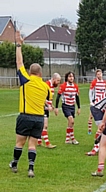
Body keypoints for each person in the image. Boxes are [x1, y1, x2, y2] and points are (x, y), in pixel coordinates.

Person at [9, 31, 52, 177]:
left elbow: (19, 62)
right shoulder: (46, 86)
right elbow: (47, 101)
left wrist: (19, 44)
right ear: (40, 73)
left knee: (19, 143)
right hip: (39, 118)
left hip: (25, 116)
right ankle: (31, 168)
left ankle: (14, 164)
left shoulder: (26, 81)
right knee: (32, 144)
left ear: (30, 72)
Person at [55, 71, 81, 145]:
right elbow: (58, 97)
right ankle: (72, 138)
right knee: (71, 120)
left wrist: (79, 108)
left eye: (72, 76)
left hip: (72, 106)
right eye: (70, 76)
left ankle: (68, 139)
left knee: (71, 123)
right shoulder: (63, 86)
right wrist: (56, 108)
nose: (71, 78)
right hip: (66, 106)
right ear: (67, 78)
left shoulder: (75, 86)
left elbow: (77, 97)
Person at [37, 73, 61, 148]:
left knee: (42, 125)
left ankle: (39, 141)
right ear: (53, 79)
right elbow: (42, 97)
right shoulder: (46, 85)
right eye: (57, 80)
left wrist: (51, 105)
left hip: (46, 107)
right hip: (42, 107)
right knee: (45, 125)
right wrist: (48, 105)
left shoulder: (52, 86)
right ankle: (48, 144)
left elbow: (48, 98)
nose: (58, 82)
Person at [88, 69, 106, 134]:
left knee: (102, 117)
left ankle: (99, 131)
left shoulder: (104, 82)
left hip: (103, 103)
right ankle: (89, 129)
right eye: (98, 74)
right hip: (96, 102)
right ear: (96, 75)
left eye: (100, 74)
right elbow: (91, 92)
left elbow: (105, 91)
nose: (99, 75)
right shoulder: (94, 82)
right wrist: (91, 101)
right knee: (92, 116)